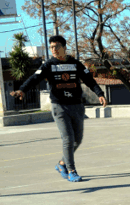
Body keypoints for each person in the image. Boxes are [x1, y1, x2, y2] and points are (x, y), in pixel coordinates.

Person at [11, 35, 107, 183]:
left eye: (56, 47)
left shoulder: (76, 64)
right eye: (51, 47)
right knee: (68, 138)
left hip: (77, 106)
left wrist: (100, 94)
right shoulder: (48, 65)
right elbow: (34, 78)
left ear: (64, 47)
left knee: (77, 140)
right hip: (59, 107)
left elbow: (89, 80)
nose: (53, 50)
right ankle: (71, 171)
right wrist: (22, 90)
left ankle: (61, 164)